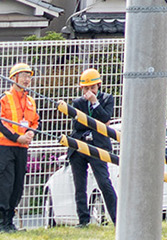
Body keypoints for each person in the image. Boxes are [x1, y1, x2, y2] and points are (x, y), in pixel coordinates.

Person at [0, 61, 39, 233]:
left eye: (29, 76)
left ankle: (10, 222)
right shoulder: (3, 98)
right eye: (24, 76)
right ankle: (0, 223)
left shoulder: (31, 101)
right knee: (5, 184)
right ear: (14, 78)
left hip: (22, 148)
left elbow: (34, 121)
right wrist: (18, 137)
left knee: (18, 185)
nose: (27, 80)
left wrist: (30, 133)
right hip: (4, 147)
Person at [68, 67, 118, 226]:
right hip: (80, 145)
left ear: (99, 86)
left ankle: (117, 218)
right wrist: (95, 123)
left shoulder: (107, 99)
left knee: (104, 182)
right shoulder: (77, 102)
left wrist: (95, 103)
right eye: (86, 88)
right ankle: (83, 220)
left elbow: (105, 118)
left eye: (93, 87)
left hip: (98, 146)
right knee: (79, 185)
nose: (89, 91)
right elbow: (77, 124)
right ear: (81, 88)